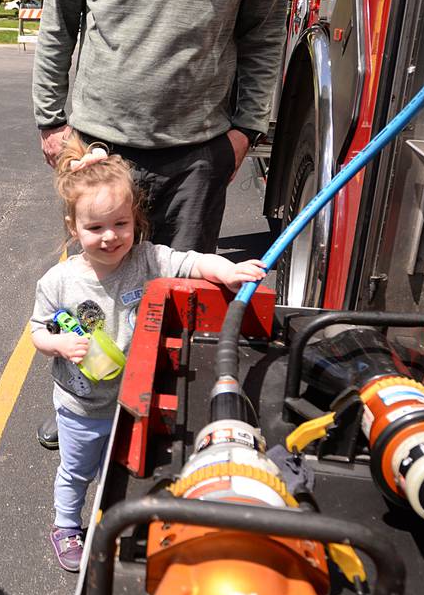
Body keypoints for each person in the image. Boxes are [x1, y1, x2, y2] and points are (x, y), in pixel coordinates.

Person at [32, 0, 287, 448]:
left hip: (198, 151)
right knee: (93, 283)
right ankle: (79, 405)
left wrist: (244, 132)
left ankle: (153, 411)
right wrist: (53, 122)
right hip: (100, 147)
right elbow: (59, 18)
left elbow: (263, 33)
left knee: (178, 290)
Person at [31, 134, 266, 572]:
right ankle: (65, 525)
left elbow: (192, 262)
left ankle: (108, 520)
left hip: (129, 401)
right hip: (80, 405)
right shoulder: (57, 282)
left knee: (117, 471)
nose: (109, 237)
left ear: (135, 220)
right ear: (73, 227)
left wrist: (229, 270)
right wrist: (58, 344)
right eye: (95, 228)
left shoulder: (147, 259)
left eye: (120, 224)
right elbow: (37, 331)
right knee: (77, 470)